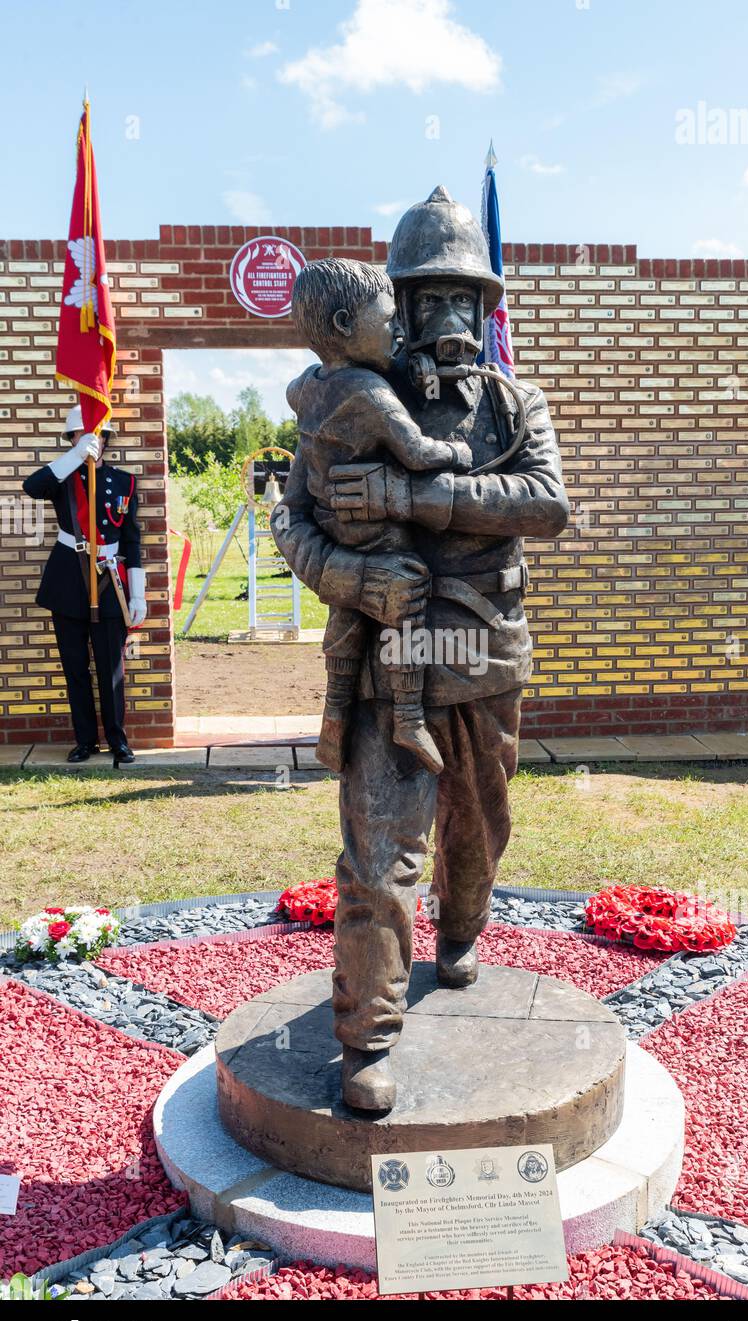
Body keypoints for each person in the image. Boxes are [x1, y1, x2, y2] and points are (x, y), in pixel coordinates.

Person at [272, 187, 569, 1111]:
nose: (447, 318)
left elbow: (546, 504)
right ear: (395, 305)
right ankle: (367, 1039)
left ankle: (462, 930)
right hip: (379, 656)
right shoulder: (350, 394)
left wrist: (412, 502)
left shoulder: (515, 404)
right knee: (377, 853)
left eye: (464, 299)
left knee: (477, 832)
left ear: (489, 308)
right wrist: (345, 577)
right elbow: (292, 516)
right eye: (426, 298)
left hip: (483, 653)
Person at [286, 256, 473, 775]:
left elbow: (547, 507)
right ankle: (408, 716)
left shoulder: (305, 387)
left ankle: (333, 716)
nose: (400, 331)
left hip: (336, 528)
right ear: (347, 325)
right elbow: (415, 452)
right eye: (392, 318)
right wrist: (456, 453)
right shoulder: (374, 394)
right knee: (404, 607)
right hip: (380, 539)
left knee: (345, 625)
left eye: (462, 299)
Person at [22, 405, 147, 764]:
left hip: (110, 578)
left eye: (99, 435)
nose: (95, 440)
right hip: (68, 578)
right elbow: (32, 487)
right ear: (72, 438)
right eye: (84, 435)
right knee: (75, 666)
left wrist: (137, 592)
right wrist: (75, 456)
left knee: (111, 668)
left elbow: (132, 541)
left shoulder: (124, 481)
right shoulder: (62, 477)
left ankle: (117, 740)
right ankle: (85, 740)